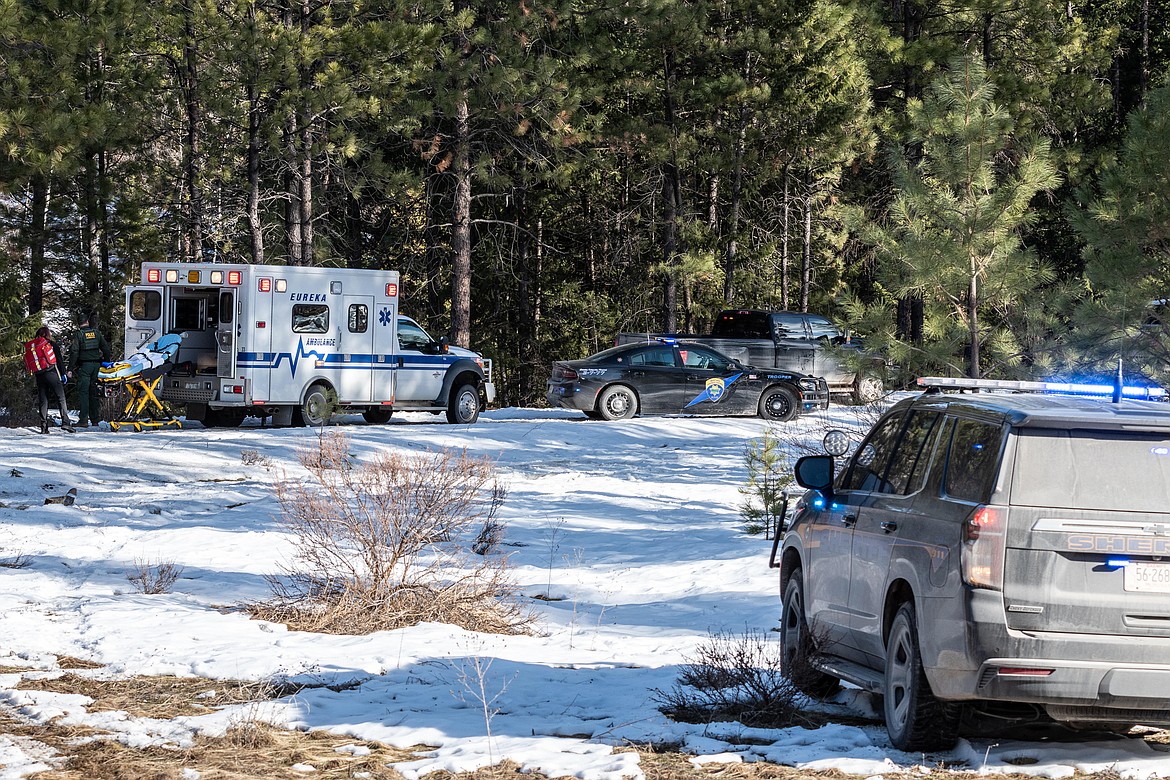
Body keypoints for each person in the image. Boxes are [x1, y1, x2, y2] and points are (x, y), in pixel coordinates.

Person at [67, 310, 112, 427]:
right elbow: (106, 349)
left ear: (79, 323)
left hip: (85, 367)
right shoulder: (96, 333)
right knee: (94, 393)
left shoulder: (79, 335)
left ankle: (83, 420)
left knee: (84, 393)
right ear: (87, 322)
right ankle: (95, 419)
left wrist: (70, 368)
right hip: (97, 366)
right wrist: (106, 363)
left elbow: (74, 352)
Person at [26, 327, 75, 434]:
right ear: (47, 334)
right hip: (51, 373)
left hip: (39, 375)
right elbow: (59, 361)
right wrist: (63, 373)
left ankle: (44, 427)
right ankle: (66, 422)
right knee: (60, 398)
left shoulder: (34, 346)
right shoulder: (51, 344)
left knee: (43, 400)